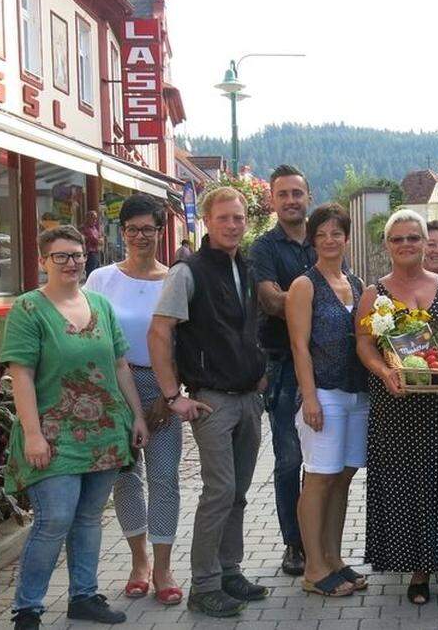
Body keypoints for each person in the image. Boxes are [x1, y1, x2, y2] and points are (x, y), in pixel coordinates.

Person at [2, 226, 149, 630]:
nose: (72, 263)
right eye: (61, 256)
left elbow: (120, 364)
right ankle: (27, 608)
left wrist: (135, 415)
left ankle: (83, 596)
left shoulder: (99, 304)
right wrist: (32, 434)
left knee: (87, 519)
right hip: (52, 435)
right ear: (43, 261)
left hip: (104, 432)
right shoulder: (29, 309)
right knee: (55, 519)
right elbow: (22, 375)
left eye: (78, 255)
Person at [148, 187, 269, 618]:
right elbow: (160, 332)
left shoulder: (246, 267)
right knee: (219, 491)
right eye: (224, 218)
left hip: (248, 399)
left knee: (237, 492)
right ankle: (204, 585)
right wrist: (171, 397)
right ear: (207, 222)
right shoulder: (188, 271)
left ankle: (229, 571)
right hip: (212, 400)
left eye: (239, 218)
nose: (233, 225)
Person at [354, 209, 438, 609]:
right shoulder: (375, 294)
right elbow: (364, 345)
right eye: (398, 239)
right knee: (405, 486)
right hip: (397, 406)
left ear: (427, 243)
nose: (406, 245)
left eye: (414, 238)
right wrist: (383, 371)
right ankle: (418, 569)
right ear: (388, 246)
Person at [84, 195, 182, 607]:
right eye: (132, 229)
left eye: (149, 229)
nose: (141, 236)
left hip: (163, 387)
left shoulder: (176, 279)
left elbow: (187, 341)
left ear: (161, 233)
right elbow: (87, 334)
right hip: (115, 385)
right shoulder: (101, 279)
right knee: (126, 478)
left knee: (164, 478)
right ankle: (138, 560)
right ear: (121, 232)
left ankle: (163, 567)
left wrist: (171, 391)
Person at [285, 203, 370, 597]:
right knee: (319, 478)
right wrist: (310, 398)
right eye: (321, 234)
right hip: (325, 394)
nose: (330, 240)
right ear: (313, 240)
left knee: (343, 478)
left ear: (346, 238)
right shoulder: (304, 285)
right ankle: (314, 567)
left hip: (358, 394)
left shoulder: (354, 282)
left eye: (337, 233)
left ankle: (334, 558)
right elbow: (299, 347)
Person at [249, 164, 316, 576]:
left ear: (308, 196)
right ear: (273, 200)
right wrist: (315, 296)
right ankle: (294, 543)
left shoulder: (322, 238)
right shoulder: (264, 248)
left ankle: (318, 540)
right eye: (283, 194)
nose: (291, 200)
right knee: (289, 459)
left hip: (325, 363)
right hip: (283, 365)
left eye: (297, 193)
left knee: (324, 462)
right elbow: (270, 302)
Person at [80, 210, 102, 277]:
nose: (95, 220)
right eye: (93, 218)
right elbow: (93, 239)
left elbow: (99, 238)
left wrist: (99, 240)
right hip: (90, 253)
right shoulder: (84, 228)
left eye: (96, 218)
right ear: (88, 218)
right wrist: (98, 240)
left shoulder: (94, 228)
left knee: (97, 272)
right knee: (91, 272)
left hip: (96, 251)